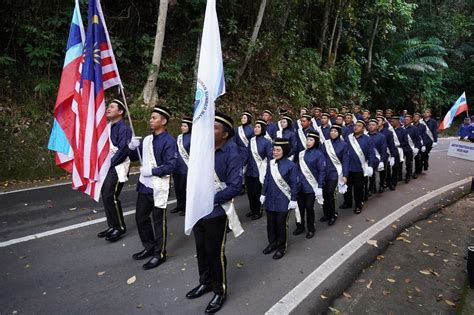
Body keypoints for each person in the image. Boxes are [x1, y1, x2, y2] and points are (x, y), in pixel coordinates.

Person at [185, 113, 242, 314]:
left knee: (215, 252)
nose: (209, 131)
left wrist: (209, 200)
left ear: (225, 134)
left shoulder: (232, 154)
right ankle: (205, 282)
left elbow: (236, 187)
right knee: (201, 249)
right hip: (198, 211)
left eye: (214, 128)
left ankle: (220, 290)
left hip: (216, 212)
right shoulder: (202, 150)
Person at [128, 106, 177, 270]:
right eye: (151, 117)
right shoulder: (147, 140)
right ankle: (148, 247)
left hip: (159, 187)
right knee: (140, 218)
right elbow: (136, 157)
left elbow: (171, 165)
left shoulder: (169, 141)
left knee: (158, 222)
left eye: (154, 118)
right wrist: (131, 147)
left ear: (163, 121)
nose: (151, 120)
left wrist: (152, 171)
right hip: (144, 185)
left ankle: (159, 253)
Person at [98, 99, 132, 242]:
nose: (108, 108)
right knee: (105, 196)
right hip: (108, 166)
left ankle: (119, 227)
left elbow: (123, 150)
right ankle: (112, 225)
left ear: (120, 111)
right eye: (108, 106)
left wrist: (110, 163)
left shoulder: (124, 129)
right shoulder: (108, 126)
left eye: (112, 107)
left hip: (117, 167)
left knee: (110, 196)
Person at [260, 138, 299, 260]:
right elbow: (266, 179)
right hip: (270, 199)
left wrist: (293, 199)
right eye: (274, 150)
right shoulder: (270, 163)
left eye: (278, 150)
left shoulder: (291, 166)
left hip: (284, 200)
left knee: (281, 224)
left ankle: (281, 247)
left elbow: (294, 184)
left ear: (284, 151)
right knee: (270, 224)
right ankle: (272, 243)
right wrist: (263, 193)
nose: (274, 152)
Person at [339, 120, 376, 214]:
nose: (356, 127)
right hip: (348, 167)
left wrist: (371, 166)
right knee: (346, 186)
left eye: (359, 126)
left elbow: (371, 154)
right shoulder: (348, 138)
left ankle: (358, 205)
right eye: (355, 125)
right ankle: (348, 202)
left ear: (363, 128)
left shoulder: (368, 139)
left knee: (358, 188)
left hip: (360, 169)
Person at [294, 132, 326, 238]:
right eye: (307, 140)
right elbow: (297, 169)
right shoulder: (301, 153)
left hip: (311, 187)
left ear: (316, 141)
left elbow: (322, 171)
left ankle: (311, 228)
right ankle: (300, 226)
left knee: (309, 208)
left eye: (311, 140)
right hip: (299, 186)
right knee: (300, 207)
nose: (308, 142)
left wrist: (320, 187)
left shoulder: (319, 154)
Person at [320, 124, 349, 226]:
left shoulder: (343, 145)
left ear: (339, 133)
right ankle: (326, 214)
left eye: (335, 131)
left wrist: (345, 175)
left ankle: (333, 215)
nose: (333, 133)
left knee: (330, 193)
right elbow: (321, 158)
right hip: (324, 173)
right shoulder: (325, 144)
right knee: (324, 193)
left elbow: (345, 161)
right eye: (331, 131)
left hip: (335, 173)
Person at [245, 119, 272, 220]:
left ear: (263, 129)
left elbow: (270, 158)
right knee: (250, 193)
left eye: (258, 127)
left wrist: (269, 171)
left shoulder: (267, 142)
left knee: (257, 192)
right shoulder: (251, 141)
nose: (256, 129)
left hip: (259, 171)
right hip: (249, 171)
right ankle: (252, 210)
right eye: (255, 127)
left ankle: (258, 211)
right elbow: (247, 155)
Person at [171, 117, 192, 216]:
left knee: (184, 188)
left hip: (186, 168)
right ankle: (179, 205)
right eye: (182, 125)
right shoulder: (179, 137)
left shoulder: (193, 137)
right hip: (177, 167)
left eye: (185, 126)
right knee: (177, 188)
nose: (182, 127)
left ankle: (186, 207)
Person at [234, 111, 254, 194]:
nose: (242, 119)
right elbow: (233, 141)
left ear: (248, 119)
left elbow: (253, 142)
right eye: (242, 117)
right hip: (238, 151)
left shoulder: (252, 130)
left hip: (247, 152)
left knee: (245, 169)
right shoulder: (237, 129)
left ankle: (243, 185)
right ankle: (237, 185)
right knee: (237, 169)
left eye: (245, 118)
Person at [377, 115, 398, 191]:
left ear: (383, 122)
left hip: (386, 153)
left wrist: (392, 156)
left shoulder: (388, 132)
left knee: (386, 169)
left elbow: (391, 144)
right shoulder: (373, 131)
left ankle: (388, 184)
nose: (377, 121)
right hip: (376, 153)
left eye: (379, 120)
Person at [367, 119, 388, 196]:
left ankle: (381, 185)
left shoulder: (381, 137)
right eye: (369, 125)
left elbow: (383, 150)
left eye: (373, 125)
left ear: (377, 126)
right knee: (371, 174)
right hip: (370, 158)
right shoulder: (366, 135)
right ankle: (371, 188)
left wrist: (382, 160)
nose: (371, 126)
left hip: (379, 157)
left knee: (382, 172)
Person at [390, 115, 412, 184]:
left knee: (408, 162)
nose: (391, 123)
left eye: (393, 121)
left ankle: (408, 176)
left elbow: (406, 141)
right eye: (391, 121)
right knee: (398, 164)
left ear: (397, 121)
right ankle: (398, 176)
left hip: (405, 149)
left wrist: (399, 145)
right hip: (396, 150)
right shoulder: (390, 130)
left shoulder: (403, 130)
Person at [403, 114, 422, 180]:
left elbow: (417, 139)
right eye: (405, 119)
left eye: (407, 119)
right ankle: (400, 175)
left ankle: (408, 175)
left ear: (411, 120)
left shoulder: (414, 129)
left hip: (410, 148)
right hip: (402, 148)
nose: (405, 121)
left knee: (408, 162)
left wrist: (417, 147)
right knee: (400, 162)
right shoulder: (402, 128)